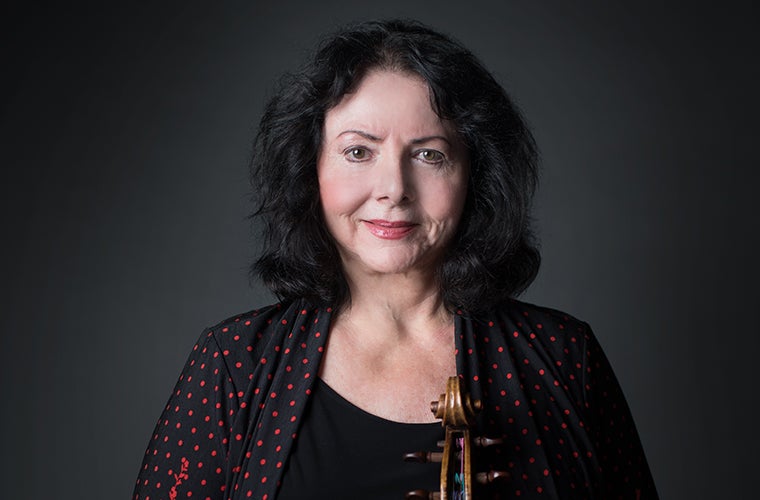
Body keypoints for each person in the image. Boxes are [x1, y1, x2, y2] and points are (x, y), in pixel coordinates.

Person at [132, 19, 658, 500]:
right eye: (358, 151)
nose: (394, 189)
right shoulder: (234, 365)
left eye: (429, 154)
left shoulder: (565, 359)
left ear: (474, 176)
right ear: (310, 170)